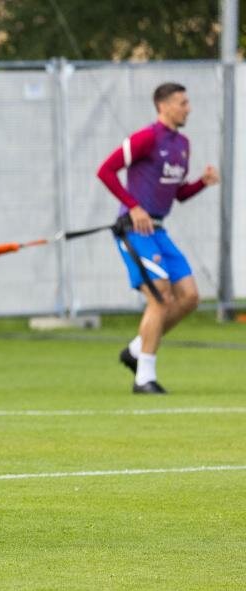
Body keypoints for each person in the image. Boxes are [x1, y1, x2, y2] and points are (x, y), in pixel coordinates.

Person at [97, 82, 219, 394]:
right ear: (163, 106)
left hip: (158, 229)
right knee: (161, 295)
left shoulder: (183, 144)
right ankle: (144, 378)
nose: (188, 108)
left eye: (187, 102)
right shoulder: (146, 138)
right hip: (133, 230)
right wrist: (134, 206)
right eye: (182, 102)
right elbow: (106, 171)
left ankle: (138, 348)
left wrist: (202, 183)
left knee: (190, 296)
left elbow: (177, 194)